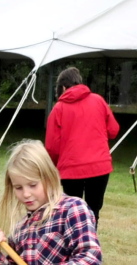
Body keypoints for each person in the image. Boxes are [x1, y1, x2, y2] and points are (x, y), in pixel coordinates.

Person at [44, 67, 120, 228]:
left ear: (63, 88)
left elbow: (52, 147)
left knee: (71, 214)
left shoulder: (58, 109)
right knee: (93, 213)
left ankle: (72, 246)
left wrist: (55, 166)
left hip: (71, 170)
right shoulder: (98, 100)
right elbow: (113, 130)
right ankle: (90, 245)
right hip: (100, 167)